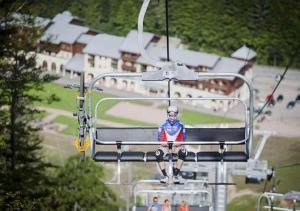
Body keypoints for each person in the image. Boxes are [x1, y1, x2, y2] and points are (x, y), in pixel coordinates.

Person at [156, 106, 187, 184]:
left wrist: (177, 143)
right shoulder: (163, 125)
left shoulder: (181, 125)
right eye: (170, 115)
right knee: (158, 154)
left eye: (174, 116)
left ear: (176, 115)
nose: (172, 118)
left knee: (183, 152)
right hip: (165, 147)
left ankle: (175, 175)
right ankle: (165, 176)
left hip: (176, 147)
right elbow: (160, 139)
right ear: (168, 115)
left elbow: (182, 139)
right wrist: (165, 143)